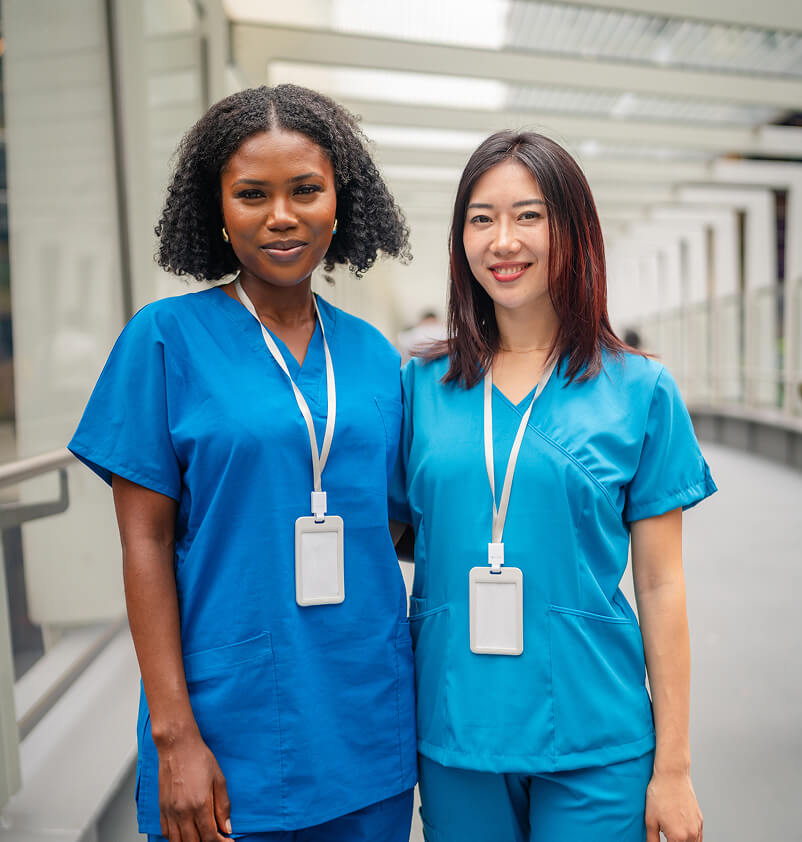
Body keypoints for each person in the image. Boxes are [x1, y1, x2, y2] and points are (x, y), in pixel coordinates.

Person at [69, 84, 417, 842]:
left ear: (340, 201)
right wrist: (174, 738)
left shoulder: (373, 358)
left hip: (365, 716)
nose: (282, 216)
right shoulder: (163, 340)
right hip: (227, 726)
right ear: (217, 210)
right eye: (252, 194)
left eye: (306, 191)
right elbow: (145, 543)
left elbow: (393, 523)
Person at [389, 131, 716, 842]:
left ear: (574, 230)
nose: (503, 240)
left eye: (528, 215)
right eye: (481, 219)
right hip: (457, 731)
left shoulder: (640, 391)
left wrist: (676, 768)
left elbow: (661, 586)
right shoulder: (417, 389)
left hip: (596, 737)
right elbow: (391, 534)